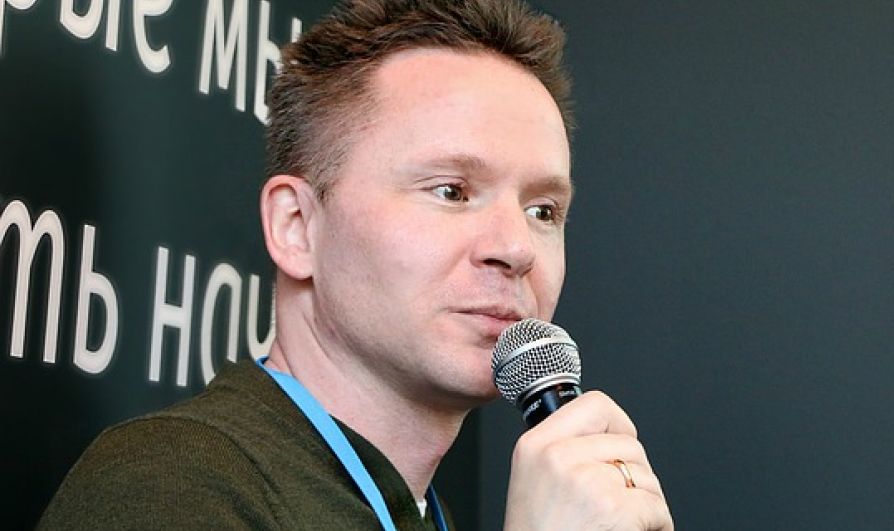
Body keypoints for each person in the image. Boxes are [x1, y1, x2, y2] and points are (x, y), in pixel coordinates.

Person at [38, 0, 673, 529]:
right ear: (297, 227)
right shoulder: (174, 485)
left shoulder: (416, 510)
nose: (516, 247)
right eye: (451, 191)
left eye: (543, 210)